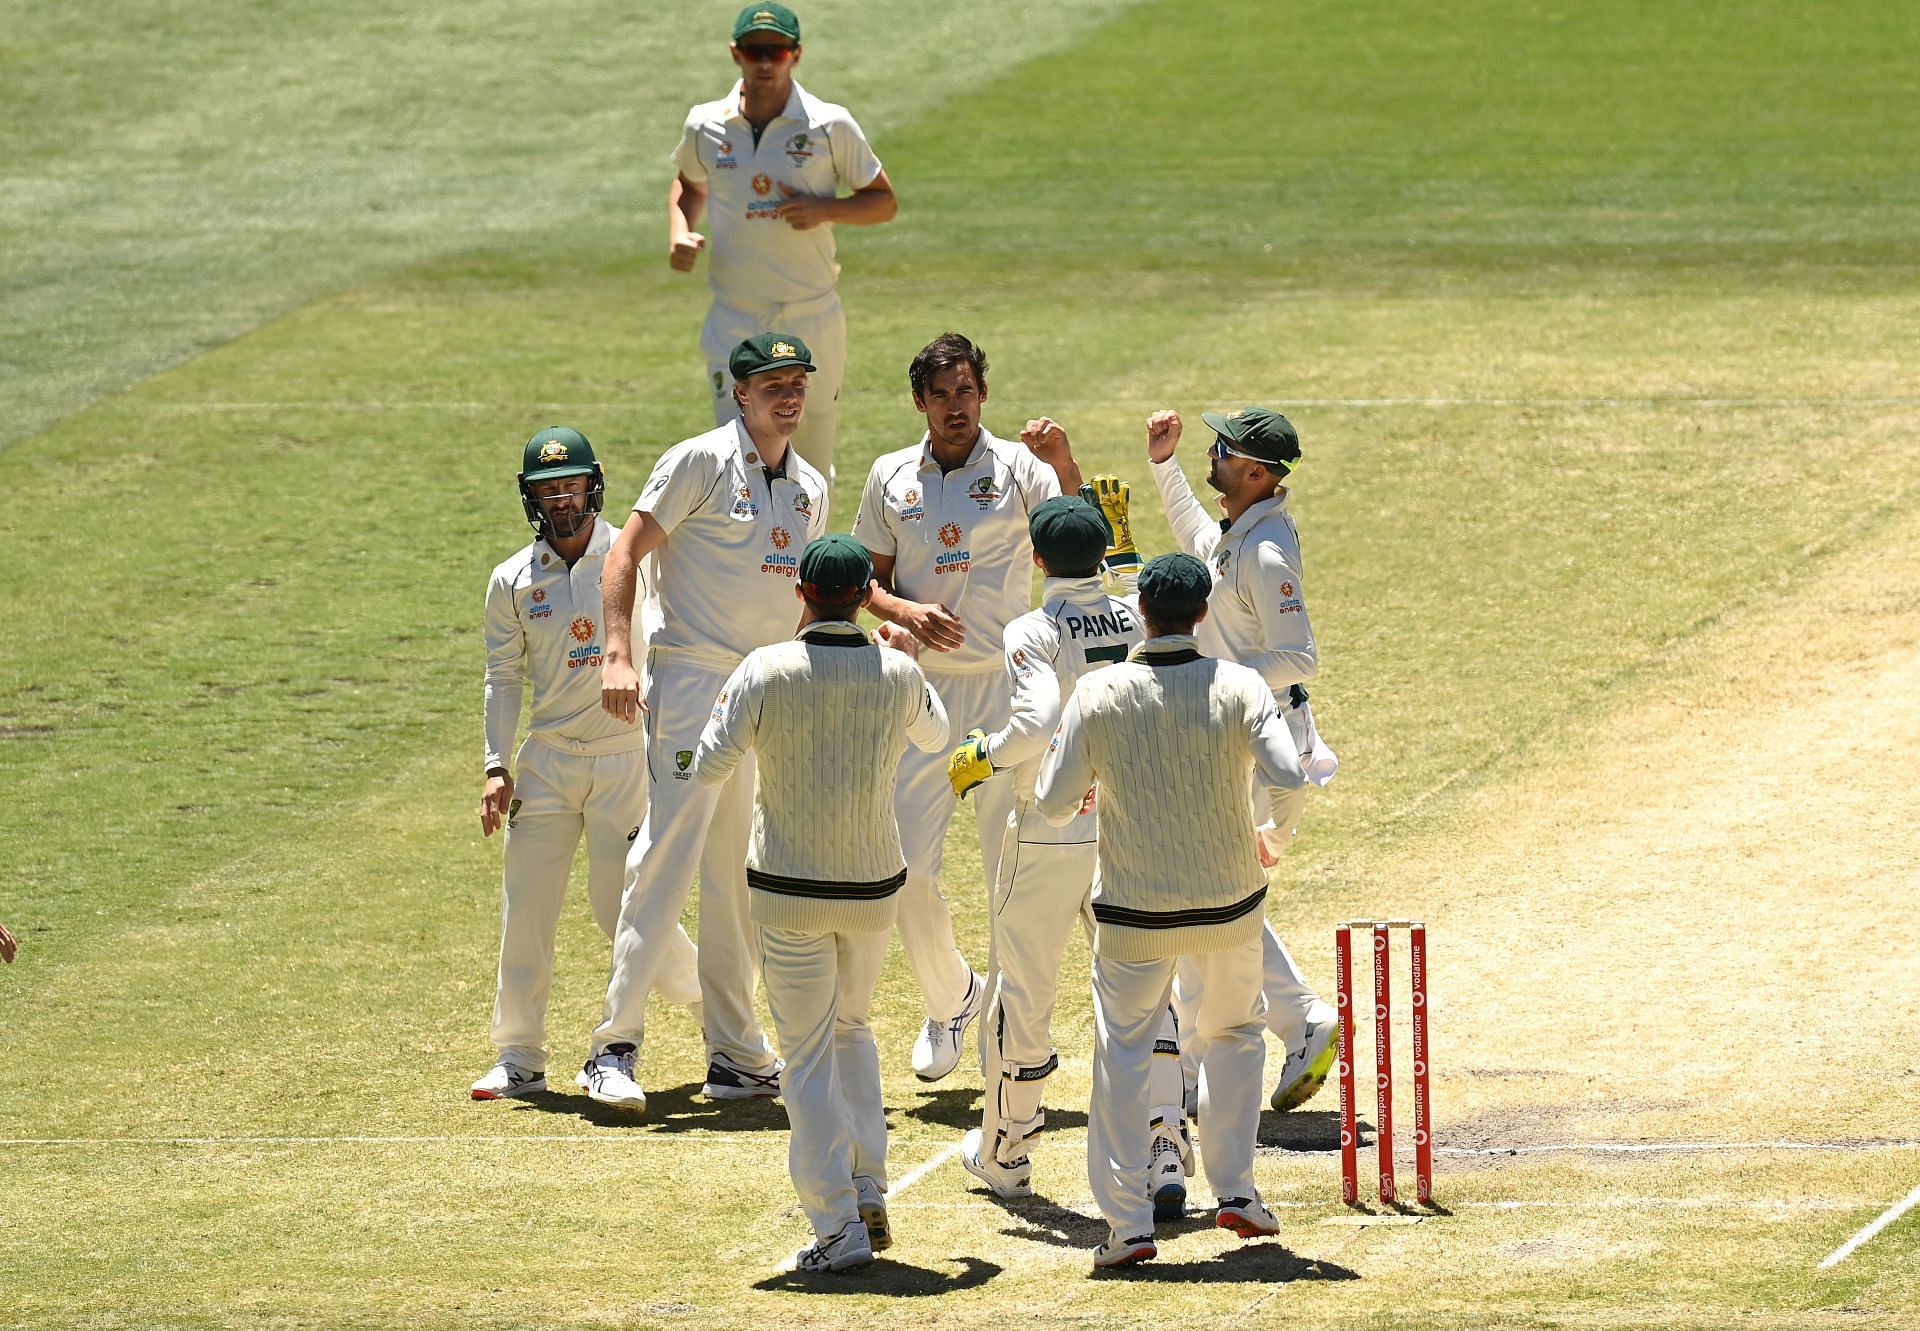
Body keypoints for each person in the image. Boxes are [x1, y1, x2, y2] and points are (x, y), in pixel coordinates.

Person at [1035, 553, 1308, 1268]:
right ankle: (1237, 1190)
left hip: (1134, 909)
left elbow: (1053, 799)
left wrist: (1096, 782)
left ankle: (1128, 1226)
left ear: (1143, 615)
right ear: (1201, 613)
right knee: (1235, 1034)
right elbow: (1289, 775)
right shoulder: (1241, 684)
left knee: (1123, 1057)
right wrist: (1269, 837)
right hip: (1228, 901)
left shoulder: (1099, 692)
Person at [584, 333, 830, 1111]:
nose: (788, 396)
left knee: (735, 874)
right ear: (740, 392)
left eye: (797, 383)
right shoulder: (697, 460)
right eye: (772, 384)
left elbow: (797, 604)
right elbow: (621, 554)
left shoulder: (811, 486)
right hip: (691, 679)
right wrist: (617, 655)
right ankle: (611, 1048)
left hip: (760, 689)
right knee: (668, 853)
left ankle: (733, 1054)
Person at [692, 534, 949, 1274]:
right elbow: (935, 733)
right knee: (852, 1030)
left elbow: (709, 764)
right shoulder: (896, 670)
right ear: (864, 593)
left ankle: (838, 1224)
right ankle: (867, 1182)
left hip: (790, 890)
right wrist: (906, 661)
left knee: (805, 1056)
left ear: (800, 592)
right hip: (871, 889)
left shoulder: (763, 668)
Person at [948, 496, 1191, 1220]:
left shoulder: (1033, 628)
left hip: (1052, 827)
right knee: (1145, 985)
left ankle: (1008, 1151)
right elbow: (1132, 580)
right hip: (1126, 823)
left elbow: (1035, 720)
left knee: (1022, 989)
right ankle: (1165, 1144)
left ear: (1039, 559)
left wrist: (979, 755)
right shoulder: (1134, 609)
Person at [852, 331, 1081, 1083]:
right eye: (943, 394)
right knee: (905, 868)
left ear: (984, 394)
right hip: (926, 697)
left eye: (968, 392)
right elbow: (866, 584)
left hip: (1010, 694)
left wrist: (1066, 464)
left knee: (1006, 877)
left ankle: (1010, 1037)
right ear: (920, 401)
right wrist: (908, 614)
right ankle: (952, 998)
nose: (958, 407)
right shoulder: (890, 475)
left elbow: (1080, 540)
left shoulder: (1018, 468)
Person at [471, 427, 701, 1101]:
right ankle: (519, 1057)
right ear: (531, 497)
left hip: (624, 756)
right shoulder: (513, 578)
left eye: (570, 484)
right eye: (547, 489)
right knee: (527, 910)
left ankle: (723, 1018)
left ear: (593, 483)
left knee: (621, 908)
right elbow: (502, 675)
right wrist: (495, 764)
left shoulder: (632, 560)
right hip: (546, 761)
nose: (561, 499)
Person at [1145, 406, 1342, 1114]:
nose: (1213, 450)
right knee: (1209, 901)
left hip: (1265, 748)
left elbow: (1300, 657)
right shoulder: (1239, 533)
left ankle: (1293, 1022)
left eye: (1222, 448)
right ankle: (1199, 1073)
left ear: (1255, 471)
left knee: (1210, 898)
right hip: (1242, 742)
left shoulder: (1264, 552)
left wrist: (1213, 675)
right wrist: (1164, 466)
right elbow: (1201, 540)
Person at [666, 2, 898, 480]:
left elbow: (882, 201)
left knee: (809, 462)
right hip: (736, 314)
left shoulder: (829, 124)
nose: (765, 62)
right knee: (739, 460)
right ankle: (752, 558)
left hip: (810, 311)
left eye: (776, 50)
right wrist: (679, 230)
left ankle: (811, 557)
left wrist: (826, 209)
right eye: (755, 51)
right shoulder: (705, 124)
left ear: (796, 54)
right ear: (736, 54)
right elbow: (689, 183)